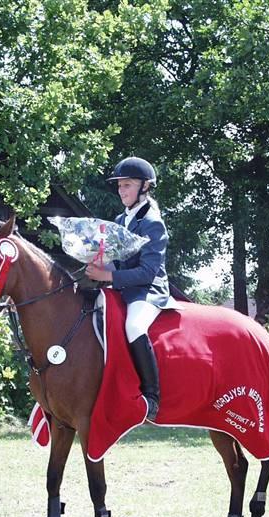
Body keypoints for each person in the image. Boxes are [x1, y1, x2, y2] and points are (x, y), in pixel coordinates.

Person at [85, 157, 178, 421]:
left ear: (144, 187)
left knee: (134, 326)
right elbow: (116, 261)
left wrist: (109, 276)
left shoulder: (152, 222)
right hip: (123, 288)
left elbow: (148, 271)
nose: (122, 190)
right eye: (120, 186)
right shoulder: (119, 219)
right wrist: (98, 263)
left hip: (148, 290)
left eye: (127, 185)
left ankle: (152, 396)